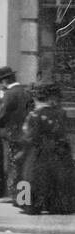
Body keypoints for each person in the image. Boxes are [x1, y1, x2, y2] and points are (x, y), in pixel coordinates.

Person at [16, 82, 75, 215]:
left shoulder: (35, 115)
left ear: (37, 98)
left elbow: (30, 135)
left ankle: (29, 206)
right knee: (59, 178)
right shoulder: (61, 113)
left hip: (38, 151)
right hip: (59, 151)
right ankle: (58, 206)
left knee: (29, 176)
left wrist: (23, 145)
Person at [0, 66, 32, 201]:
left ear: (5, 81)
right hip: (21, 134)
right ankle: (10, 193)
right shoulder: (26, 92)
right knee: (14, 163)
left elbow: (1, 115)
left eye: (0, 81)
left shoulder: (10, 94)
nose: (0, 84)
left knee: (8, 164)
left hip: (6, 134)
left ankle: (11, 195)